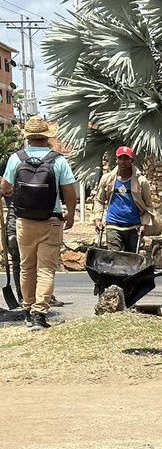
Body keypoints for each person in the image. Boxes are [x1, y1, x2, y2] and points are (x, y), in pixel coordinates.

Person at [0, 117, 77, 330]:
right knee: (46, 269)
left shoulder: (17, 158)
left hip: (24, 220)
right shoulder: (58, 160)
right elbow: (69, 191)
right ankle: (39, 315)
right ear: (47, 136)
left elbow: (5, 187)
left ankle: (27, 310)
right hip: (51, 221)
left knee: (27, 267)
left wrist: (10, 191)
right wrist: (70, 214)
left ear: (28, 137)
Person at [94, 145, 155, 252]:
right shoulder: (107, 179)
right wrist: (97, 219)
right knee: (114, 257)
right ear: (116, 160)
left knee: (131, 259)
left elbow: (148, 205)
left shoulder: (141, 181)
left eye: (126, 159)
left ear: (132, 161)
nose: (123, 162)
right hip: (113, 225)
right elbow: (100, 200)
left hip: (133, 226)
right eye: (120, 158)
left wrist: (144, 224)